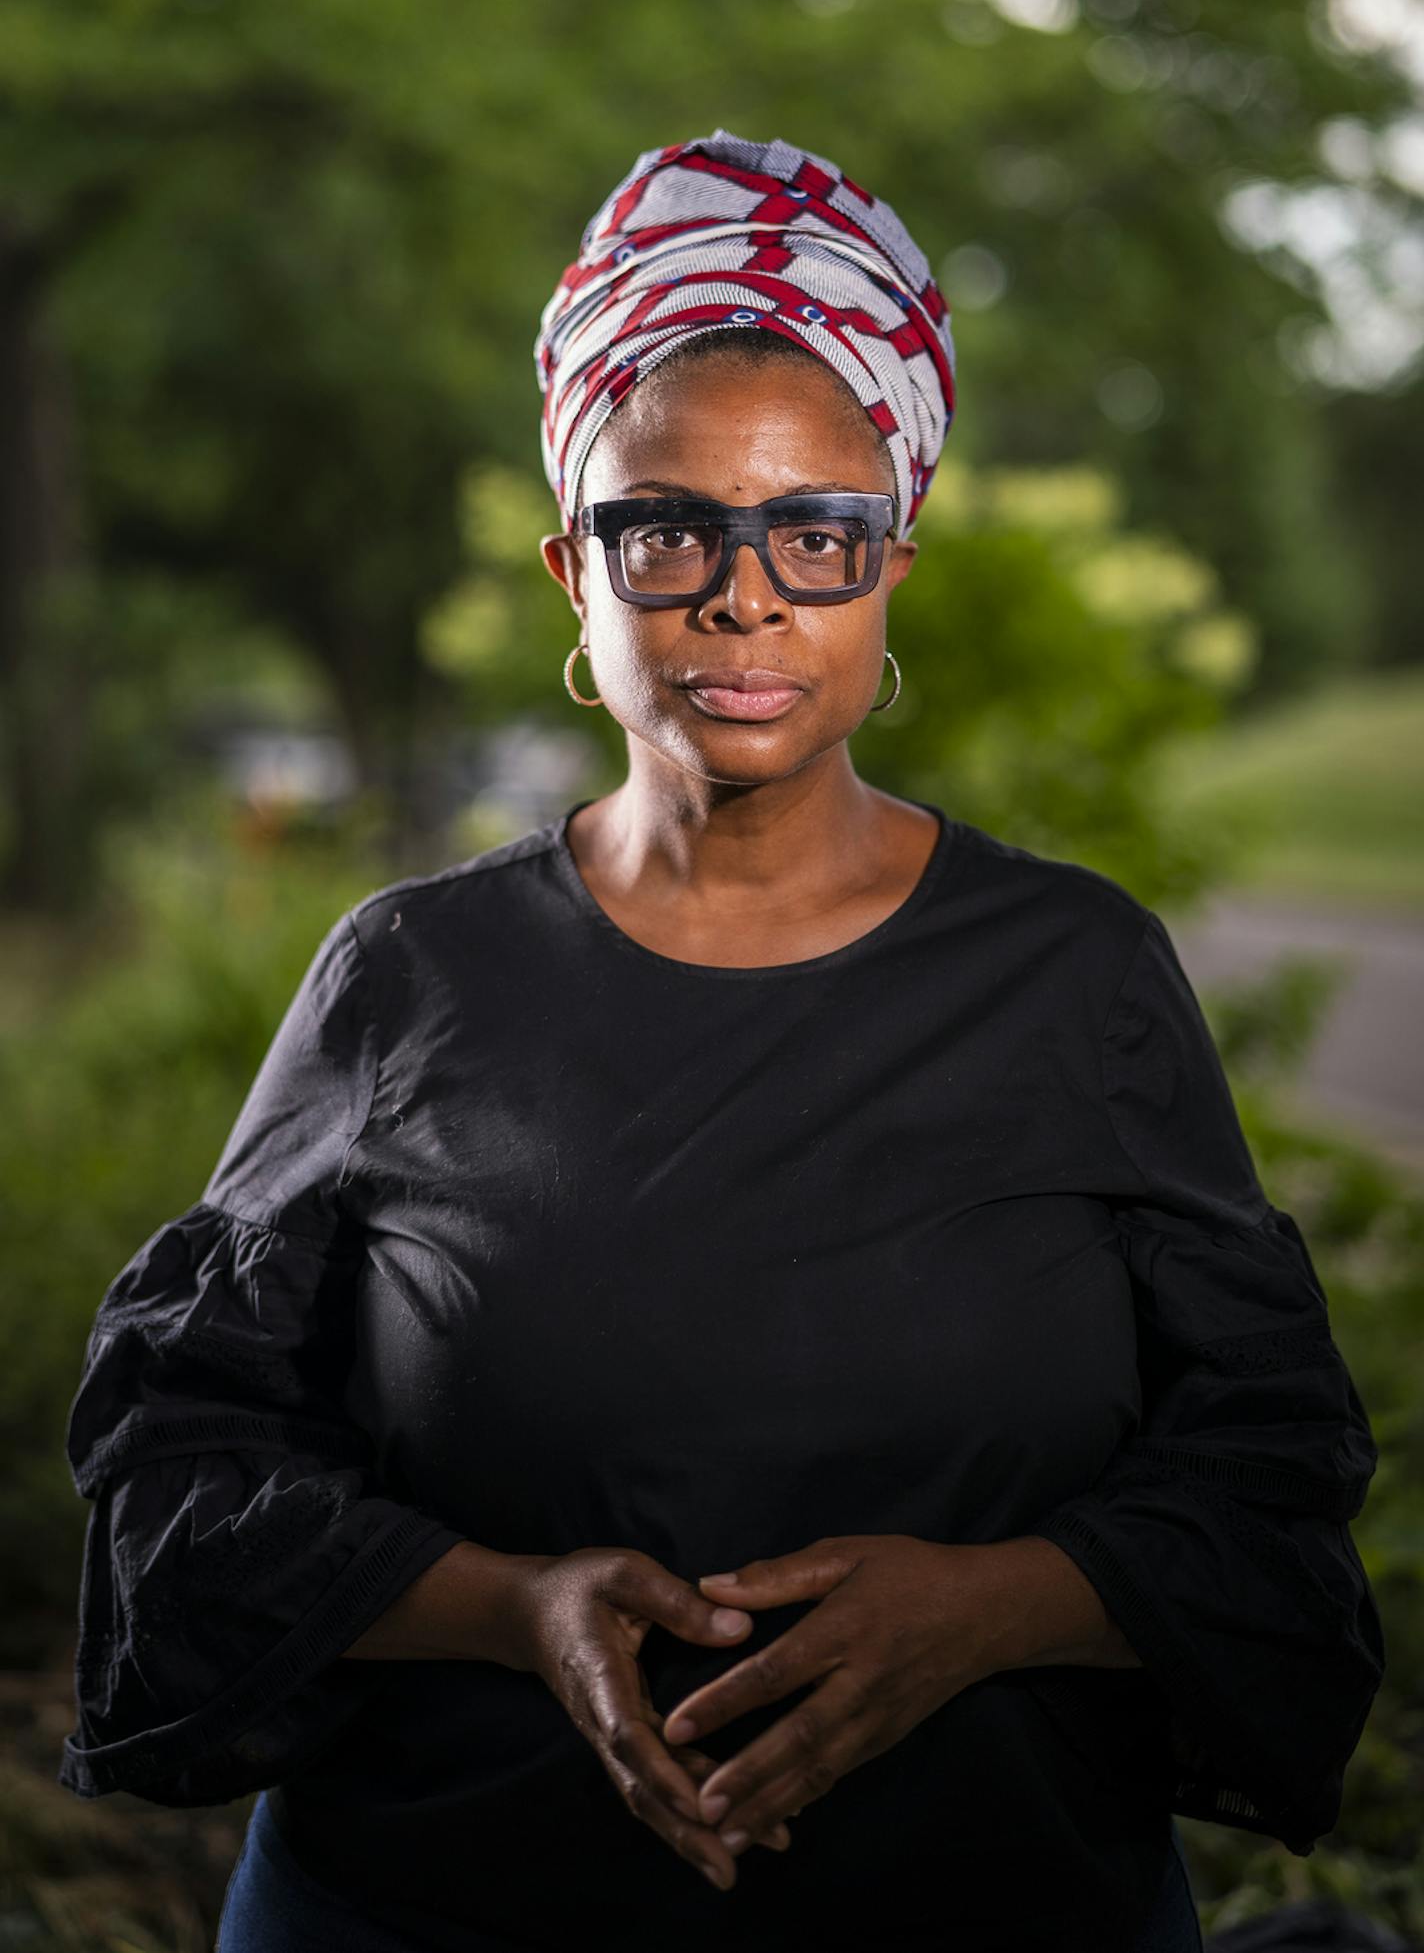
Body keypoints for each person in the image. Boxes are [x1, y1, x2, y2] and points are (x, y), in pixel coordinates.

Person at [59, 130, 1384, 1953]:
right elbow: (185, 1462)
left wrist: (998, 1602)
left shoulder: (1077, 976)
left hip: (994, 1905)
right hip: (437, 1902)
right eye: (666, 526)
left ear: (890, 563)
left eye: (813, 534)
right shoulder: (407, 978)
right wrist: (507, 1602)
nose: (743, 595)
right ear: (572, 574)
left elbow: (1270, 1468)